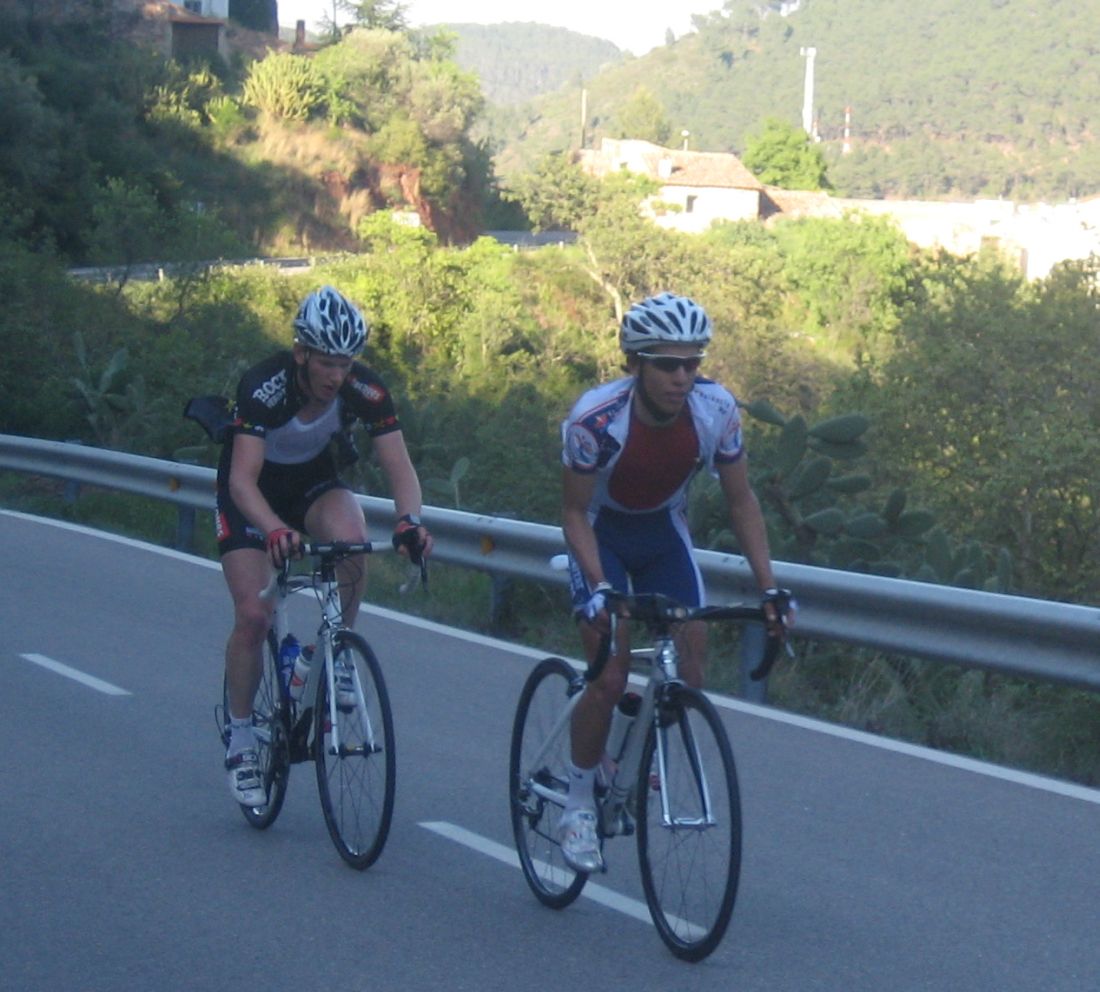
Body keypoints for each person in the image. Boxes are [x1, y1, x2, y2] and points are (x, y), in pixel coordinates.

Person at [558, 291, 794, 872]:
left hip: (663, 533)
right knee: (609, 675)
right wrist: (600, 587)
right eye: (667, 364)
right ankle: (578, 804)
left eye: (692, 363)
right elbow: (573, 513)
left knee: (690, 671)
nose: (682, 377)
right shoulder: (595, 419)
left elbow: (741, 501)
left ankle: (631, 746)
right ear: (635, 363)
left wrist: (769, 587)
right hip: (601, 534)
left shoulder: (716, 409)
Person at [216, 285, 432, 807]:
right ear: (301, 354)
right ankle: (241, 742)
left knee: (352, 542)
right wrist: (273, 529)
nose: (337, 376)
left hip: (312, 485)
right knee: (254, 616)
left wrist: (409, 521)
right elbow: (242, 481)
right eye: (327, 363)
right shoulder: (264, 387)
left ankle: (331, 653)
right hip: (252, 493)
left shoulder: (364, 389)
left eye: (345, 363)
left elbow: (399, 467)